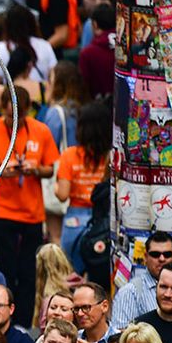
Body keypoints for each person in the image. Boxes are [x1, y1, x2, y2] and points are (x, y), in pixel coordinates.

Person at [0, 86, 58, 327]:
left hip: (32, 211)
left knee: (29, 272)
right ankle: (5, 319)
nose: (14, 122)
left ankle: (22, 324)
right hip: (2, 210)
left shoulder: (41, 130)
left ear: (28, 110)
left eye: (19, 117)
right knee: (7, 268)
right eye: (10, 117)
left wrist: (35, 169)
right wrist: (1, 172)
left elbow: (51, 167)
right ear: (3, 109)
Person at [56, 101, 110, 270]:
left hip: (75, 219)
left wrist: (55, 188)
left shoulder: (69, 155)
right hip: (102, 219)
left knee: (71, 273)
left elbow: (62, 194)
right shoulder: (110, 156)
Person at [109, 231, 172, 333]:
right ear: (146, 257)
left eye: (167, 254)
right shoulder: (130, 293)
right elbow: (119, 338)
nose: (161, 259)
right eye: (155, 254)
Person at [0, 6, 57, 94]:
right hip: (38, 100)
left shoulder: (0, 48)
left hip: (12, 102)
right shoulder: (45, 45)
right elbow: (53, 79)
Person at [79, 4, 116, 100]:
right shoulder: (125, 47)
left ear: (95, 25)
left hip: (97, 108)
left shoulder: (88, 53)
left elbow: (83, 87)